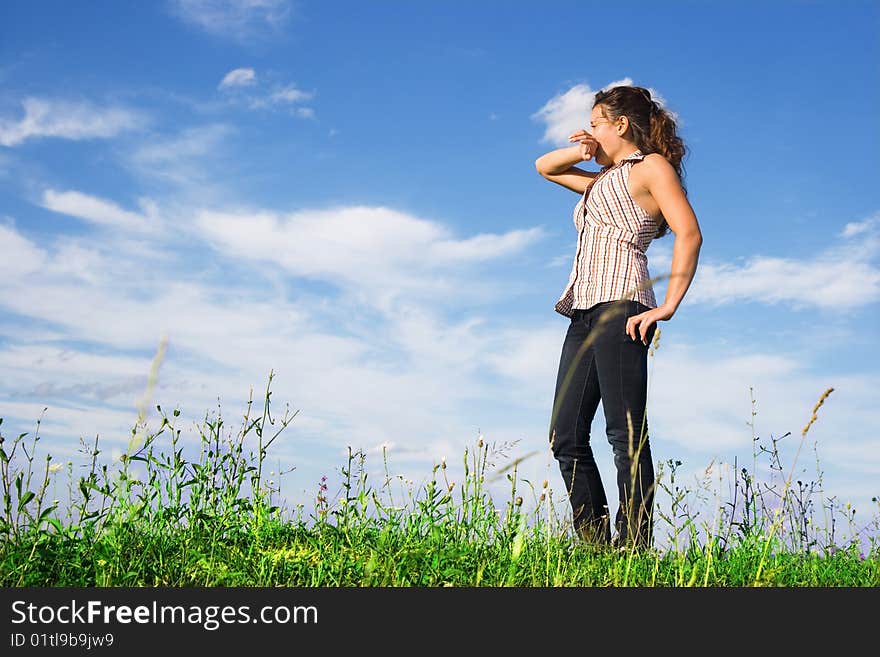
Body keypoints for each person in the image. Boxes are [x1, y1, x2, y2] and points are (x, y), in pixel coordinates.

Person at [534, 85, 702, 550]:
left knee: (624, 432)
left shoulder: (650, 169)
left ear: (620, 125)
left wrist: (668, 304)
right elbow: (544, 167)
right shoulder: (599, 180)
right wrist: (581, 149)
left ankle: (635, 549)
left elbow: (689, 233)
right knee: (563, 435)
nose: (590, 131)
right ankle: (594, 545)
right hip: (583, 311)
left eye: (595, 123)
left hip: (624, 306)